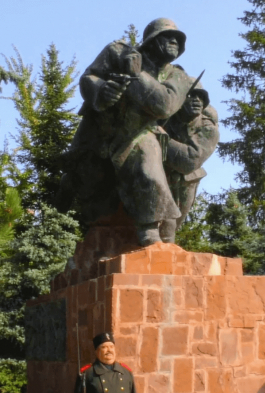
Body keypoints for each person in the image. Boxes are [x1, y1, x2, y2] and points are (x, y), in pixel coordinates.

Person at [61, 18, 193, 245]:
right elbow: (88, 78)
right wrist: (102, 91)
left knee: (148, 171)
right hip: (99, 136)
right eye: (167, 37)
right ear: (151, 41)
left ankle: (149, 230)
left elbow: (164, 105)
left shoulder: (179, 77)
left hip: (138, 134)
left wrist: (136, 76)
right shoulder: (118, 52)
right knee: (86, 191)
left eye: (178, 39)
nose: (174, 41)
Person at [159, 79, 219, 243]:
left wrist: (160, 137)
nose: (196, 100)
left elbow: (188, 162)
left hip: (186, 182)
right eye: (190, 95)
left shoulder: (208, 128)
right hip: (161, 177)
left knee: (170, 229)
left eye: (200, 97)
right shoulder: (166, 119)